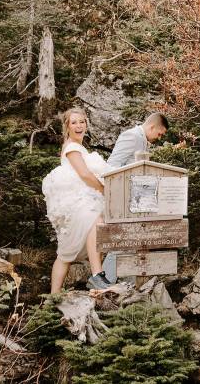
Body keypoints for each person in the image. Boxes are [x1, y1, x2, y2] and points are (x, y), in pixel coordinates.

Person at [42, 108, 115, 293]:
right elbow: (84, 174)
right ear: (67, 126)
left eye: (82, 121)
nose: (79, 125)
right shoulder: (72, 147)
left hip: (84, 200)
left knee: (67, 252)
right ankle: (96, 275)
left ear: (86, 124)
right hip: (78, 202)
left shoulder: (78, 147)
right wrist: (105, 189)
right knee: (71, 248)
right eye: (74, 122)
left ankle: (57, 294)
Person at [102, 112, 169, 282]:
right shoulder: (131, 136)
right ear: (152, 126)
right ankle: (105, 283)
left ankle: (126, 283)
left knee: (133, 242)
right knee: (123, 241)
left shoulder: (143, 141)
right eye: (160, 134)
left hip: (138, 201)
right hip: (123, 198)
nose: (159, 138)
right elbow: (111, 167)